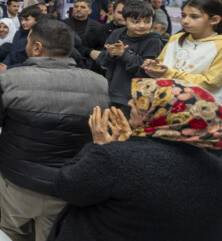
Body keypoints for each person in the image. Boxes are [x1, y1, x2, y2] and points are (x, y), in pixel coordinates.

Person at [0, 19, 110, 241]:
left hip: (18, 179)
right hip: (67, 183)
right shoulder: (100, 84)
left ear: (37, 47)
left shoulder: (9, 80)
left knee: (13, 232)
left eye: (28, 42)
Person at [48, 79, 222, 240]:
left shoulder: (113, 158)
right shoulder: (215, 167)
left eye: (141, 102)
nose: (130, 103)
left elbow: (67, 186)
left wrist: (99, 147)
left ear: (164, 114)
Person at [143, 0, 222, 99]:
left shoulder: (219, 45)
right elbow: (163, 65)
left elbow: (210, 82)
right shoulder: (176, 38)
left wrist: (169, 73)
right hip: (167, 101)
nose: (185, 21)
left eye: (194, 16)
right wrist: (154, 67)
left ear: (214, 20)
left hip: (201, 106)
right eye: (184, 15)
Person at [95, 1, 163, 116]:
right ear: (125, 20)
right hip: (111, 93)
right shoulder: (117, 34)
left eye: (147, 21)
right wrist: (111, 54)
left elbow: (145, 71)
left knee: (126, 131)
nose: (142, 25)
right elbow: (102, 61)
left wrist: (124, 53)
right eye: (135, 21)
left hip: (135, 98)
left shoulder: (153, 41)